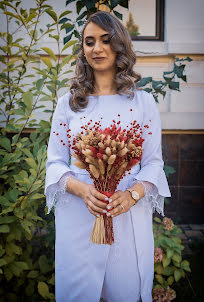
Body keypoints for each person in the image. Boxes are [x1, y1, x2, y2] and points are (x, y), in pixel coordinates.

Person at [44, 11, 171, 302]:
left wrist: (133, 195)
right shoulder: (68, 105)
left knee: (124, 292)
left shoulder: (143, 102)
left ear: (120, 45)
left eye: (105, 40)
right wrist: (83, 190)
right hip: (79, 218)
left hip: (126, 219)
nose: (97, 49)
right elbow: (54, 162)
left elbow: (152, 163)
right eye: (89, 42)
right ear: (83, 49)